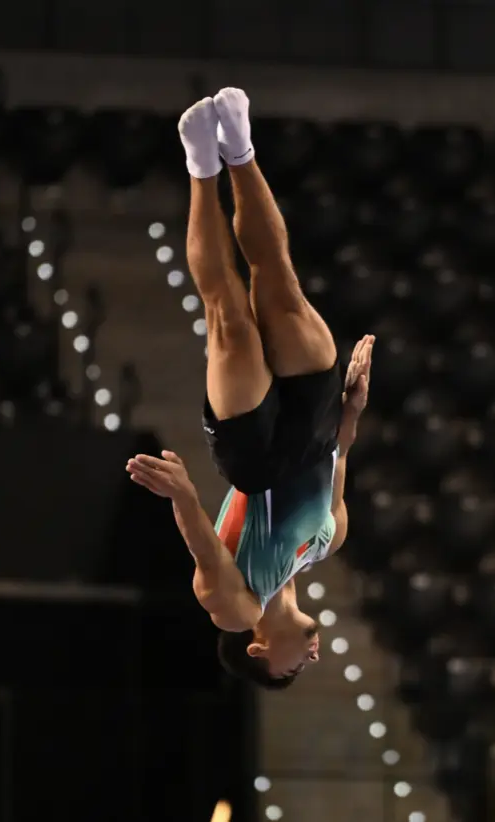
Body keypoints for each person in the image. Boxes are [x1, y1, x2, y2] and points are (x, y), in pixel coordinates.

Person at [126, 88, 374, 690]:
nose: (310, 660)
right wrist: (353, 407)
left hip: (253, 458)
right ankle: (239, 148)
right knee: (279, 281)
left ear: (260, 652)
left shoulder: (238, 611)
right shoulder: (327, 542)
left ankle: (200, 169)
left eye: (293, 670)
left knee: (229, 315)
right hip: (315, 431)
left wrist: (184, 493)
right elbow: (335, 465)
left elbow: (205, 554)